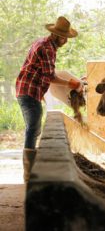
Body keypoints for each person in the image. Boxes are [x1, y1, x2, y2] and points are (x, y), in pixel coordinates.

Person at [15, 16, 84, 182]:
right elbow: (50, 76)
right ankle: (29, 174)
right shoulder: (48, 49)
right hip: (29, 91)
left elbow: (41, 74)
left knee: (33, 128)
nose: (66, 41)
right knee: (33, 129)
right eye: (65, 38)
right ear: (58, 36)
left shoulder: (42, 43)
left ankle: (29, 172)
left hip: (27, 90)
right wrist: (71, 84)